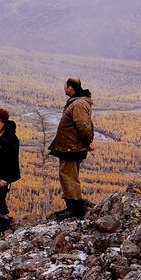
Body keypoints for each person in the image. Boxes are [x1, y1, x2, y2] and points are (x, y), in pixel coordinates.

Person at [48, 78, 94, 220]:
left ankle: (75, 209)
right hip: (70, 146)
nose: (64, 89)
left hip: (71, 148)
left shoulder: (78, 104)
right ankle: (72, 206)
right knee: (68, 175)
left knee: (69, 176)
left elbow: (83, 126)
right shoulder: (77, 102)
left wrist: (87, 142)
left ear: (70, 88)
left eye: (65, 87)